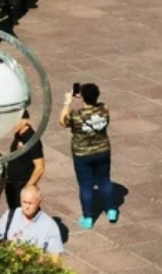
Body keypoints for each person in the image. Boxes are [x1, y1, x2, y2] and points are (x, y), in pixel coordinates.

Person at [60, 83, 117, 230]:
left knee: (86, 186)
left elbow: (63, 121)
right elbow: (99, 106)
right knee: (105, 181)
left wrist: (68, 102)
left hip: (82, 154)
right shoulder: (104, 109)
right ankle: (111, 210)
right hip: (102, 151)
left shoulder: (76, 115)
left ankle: (88, 217)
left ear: (82, 97)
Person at [0, 185, 64, 262]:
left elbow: (55, 257)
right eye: (24, 202)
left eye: (30, 203)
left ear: (39, 202)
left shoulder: (49, 225)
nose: (27, 206)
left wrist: (41, 260)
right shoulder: (10, 215)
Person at [5, 110, 46, 212]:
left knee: (26, 211)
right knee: (14, 211)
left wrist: (28, 187)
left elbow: (40, 167)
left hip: (22, 183)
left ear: (25, 121)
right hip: (12, 182)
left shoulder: (31, 140)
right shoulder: (18, 135)